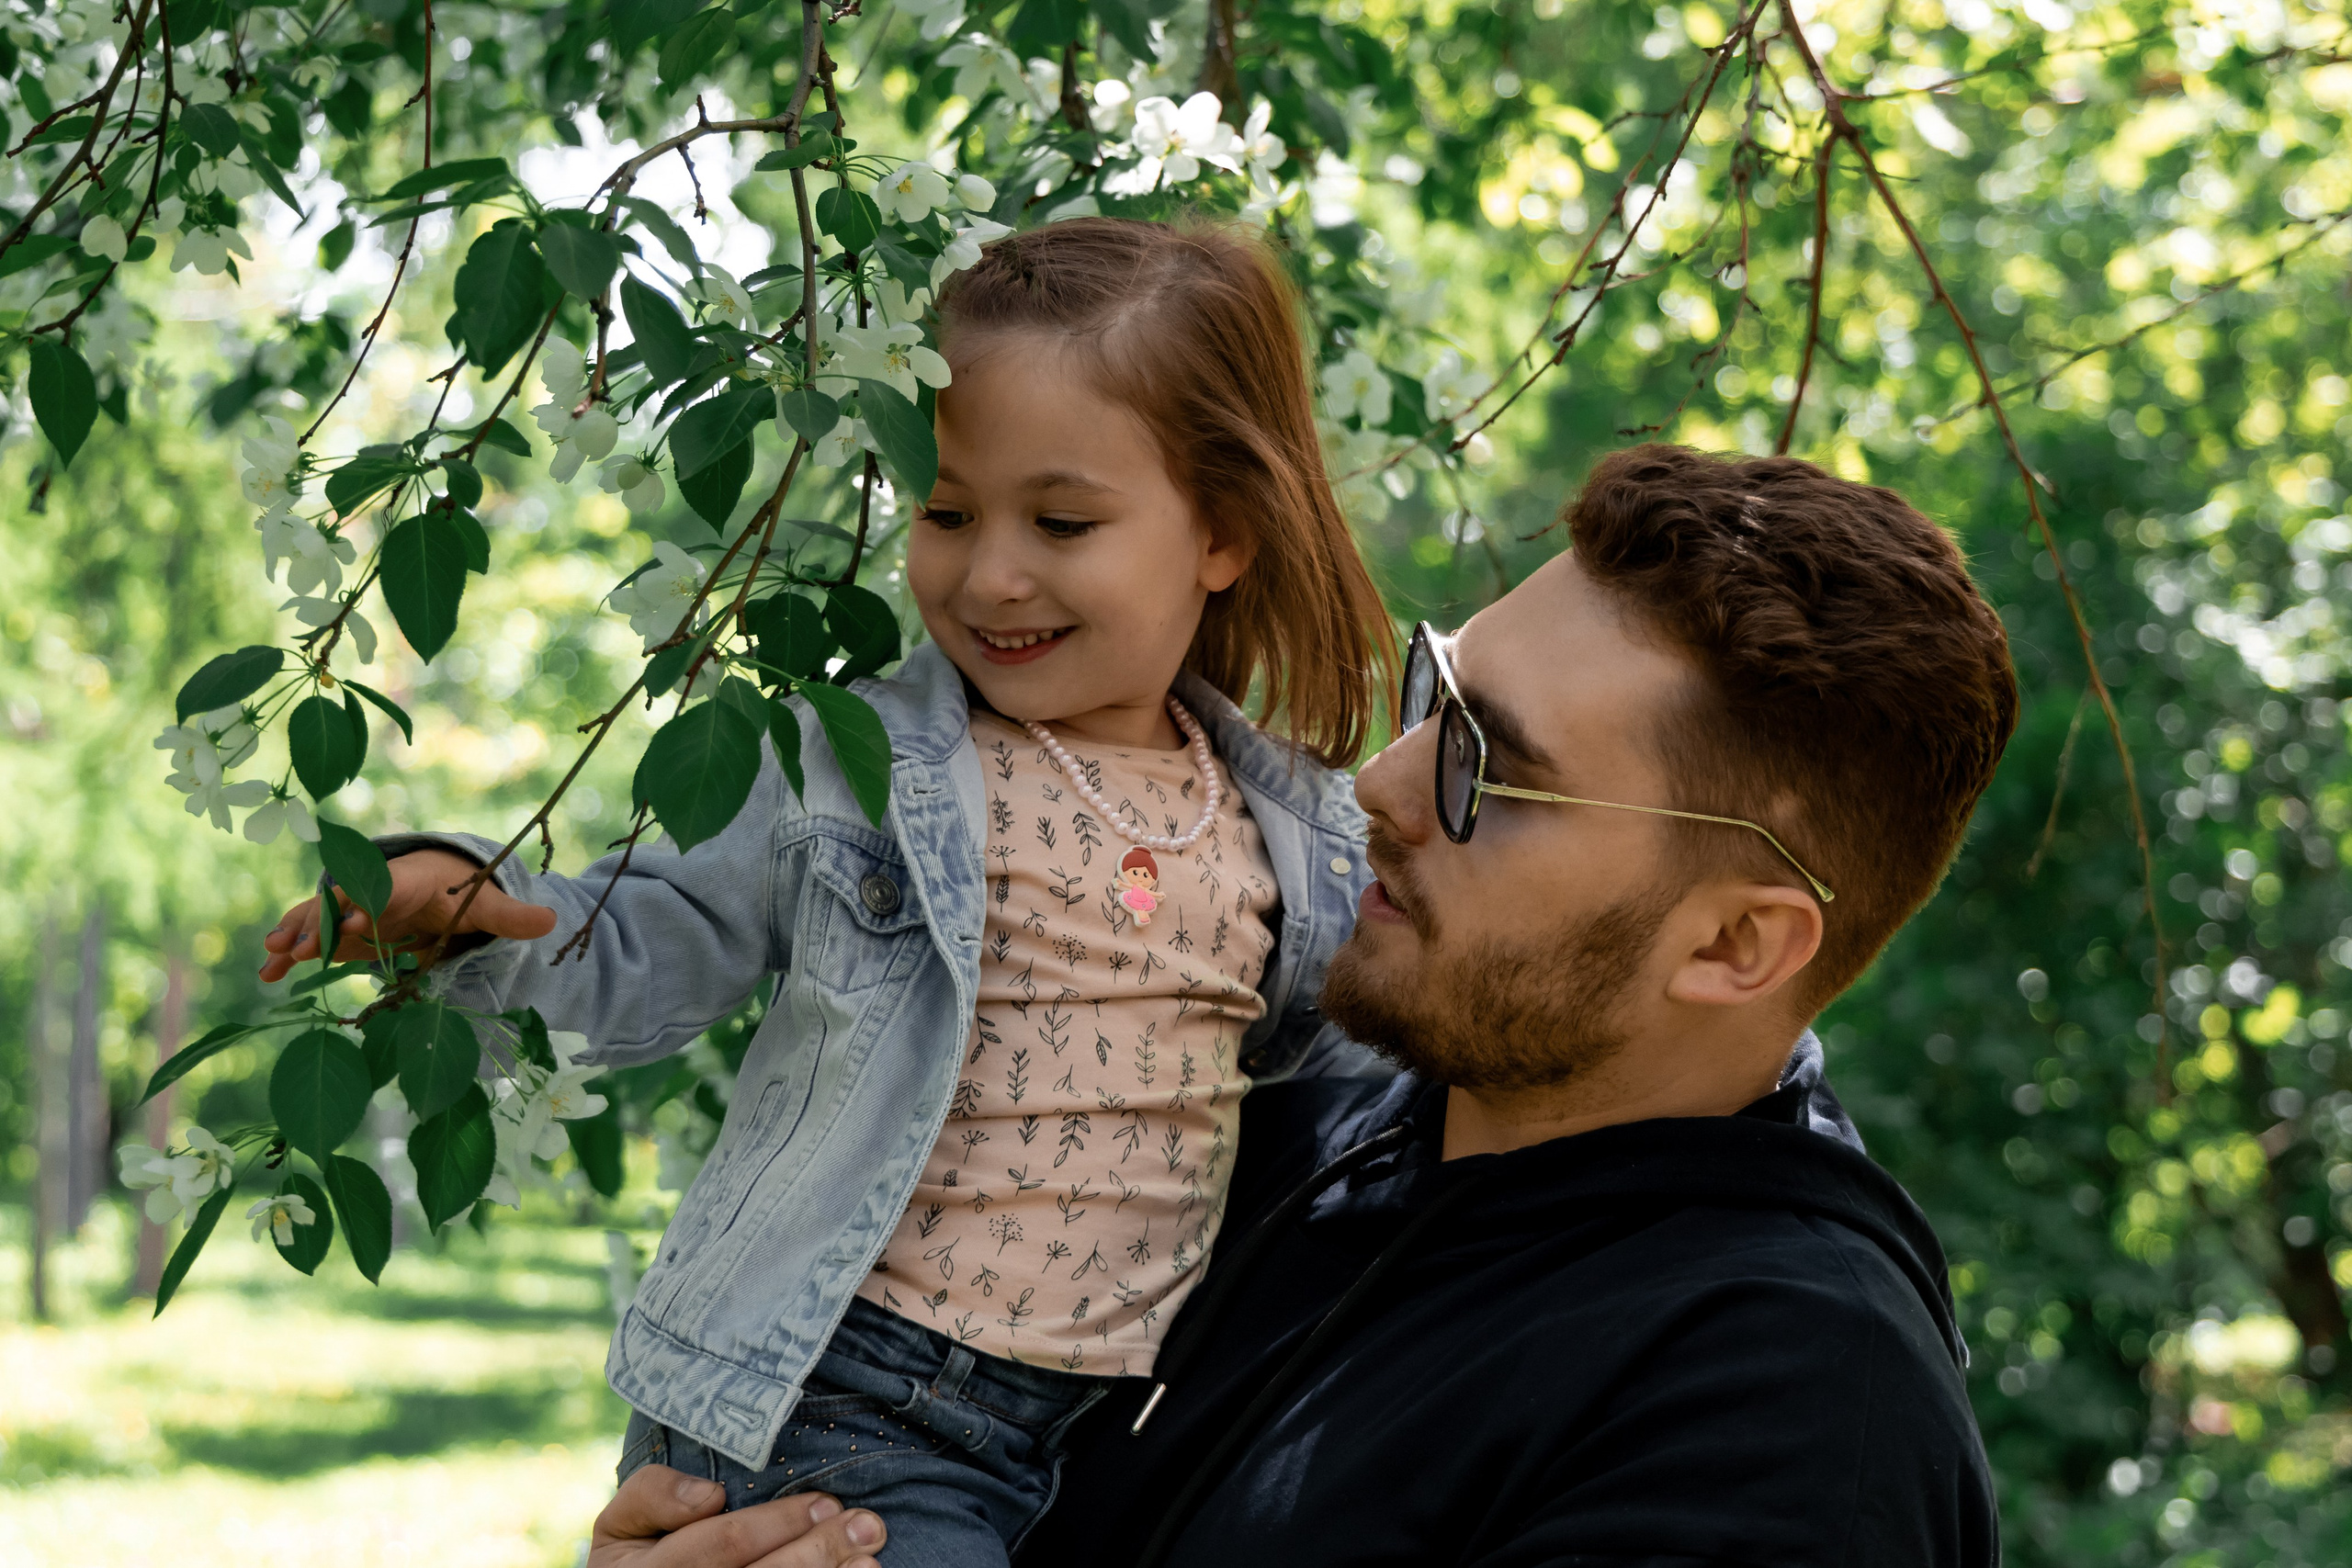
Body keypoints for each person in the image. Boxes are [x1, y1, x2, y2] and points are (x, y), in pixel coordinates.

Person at [256, 218, 1398, 1567]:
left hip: (1104, 1427)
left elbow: (1350, 1112)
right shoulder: (858, 762)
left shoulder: (1303, 833)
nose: (991, 574)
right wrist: (480, 913)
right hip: (835, 1403)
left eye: (1062, 521)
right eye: (946, 513)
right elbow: (657, 930)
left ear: (1225, 533)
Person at [1011, 444, 2018, 1566]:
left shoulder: (1794, 1418)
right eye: (1436, 696)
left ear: (1733, 945)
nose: (1381, 783)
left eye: (1486, 770)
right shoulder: (1279, 1123)